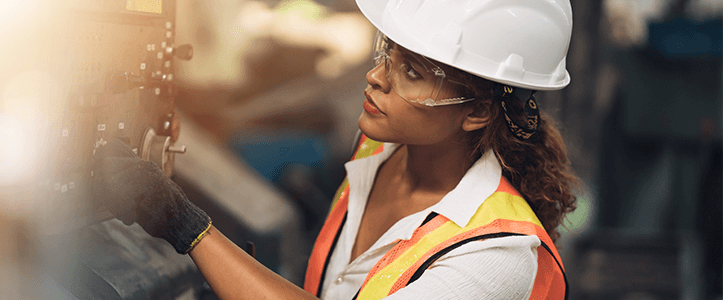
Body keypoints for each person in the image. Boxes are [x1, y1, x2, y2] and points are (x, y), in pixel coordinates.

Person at [91, 0, 579, 299]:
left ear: (477, 112)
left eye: (411, 72)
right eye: (387, 52)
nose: (375, 76)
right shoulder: (378, 150)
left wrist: (187, 227)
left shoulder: (495, 257)